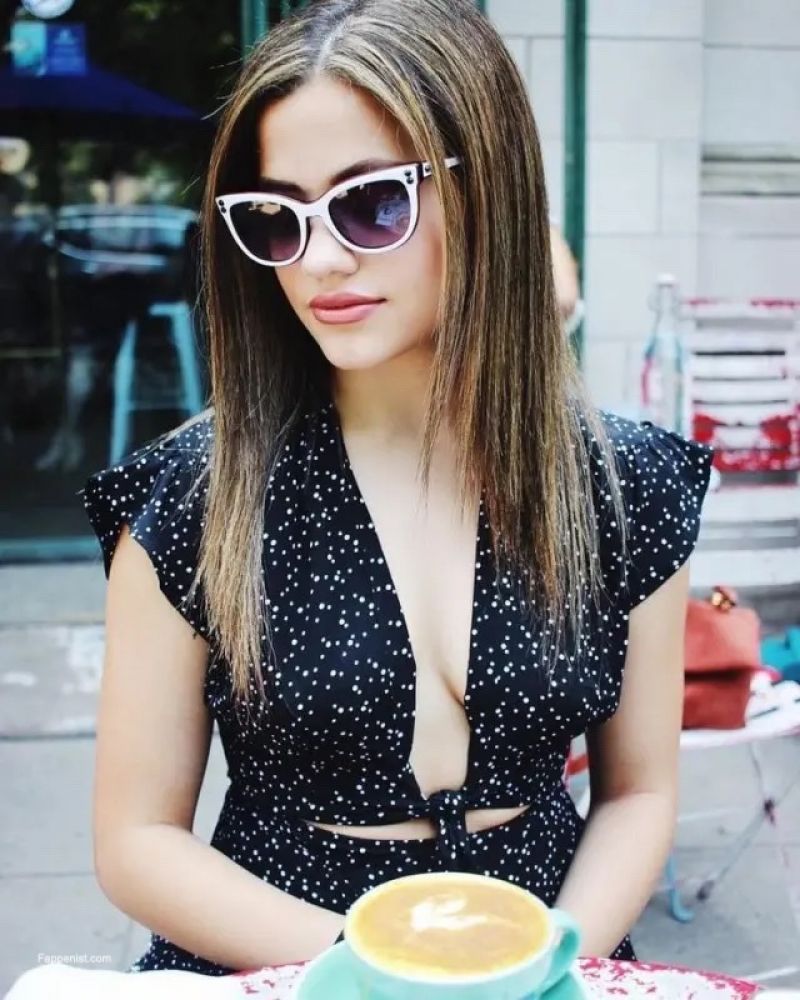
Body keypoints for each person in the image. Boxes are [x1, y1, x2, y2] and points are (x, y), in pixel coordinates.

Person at [81, 0, 713, 977]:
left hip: (550, 967)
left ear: (486, 190)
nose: (321, 259)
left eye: (370, 203)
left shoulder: (622, 484)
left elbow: (638, 793)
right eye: (276, 218)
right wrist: (384, 975)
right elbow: (136, 840)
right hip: (286, 969)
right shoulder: (196, 497)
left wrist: (546, 965)